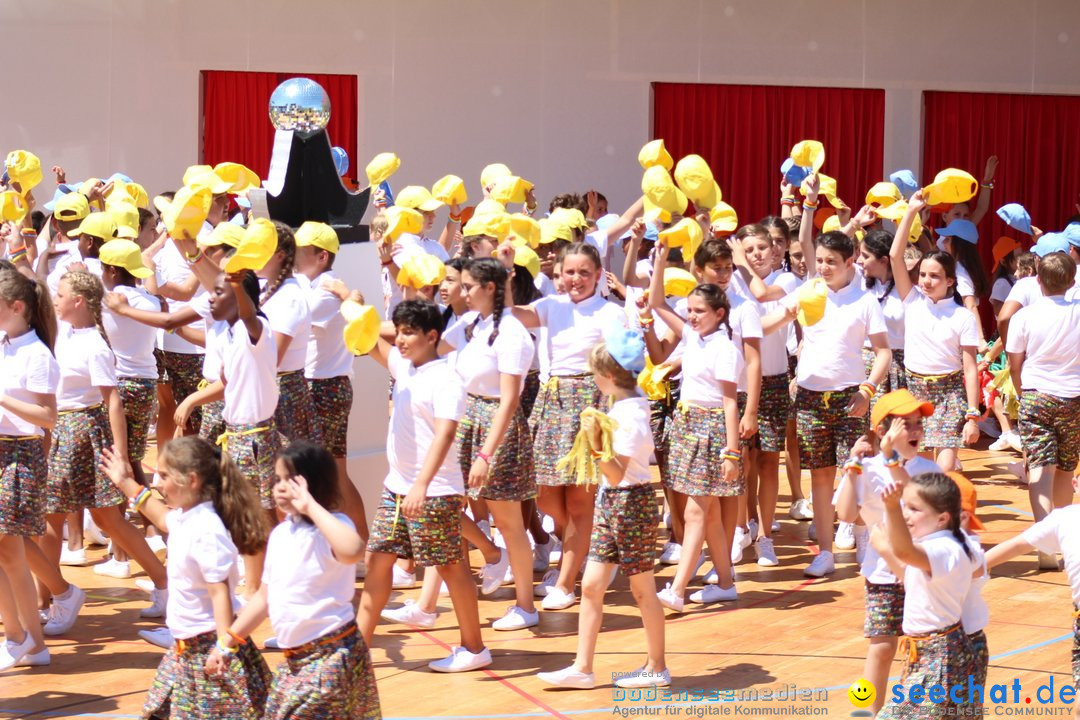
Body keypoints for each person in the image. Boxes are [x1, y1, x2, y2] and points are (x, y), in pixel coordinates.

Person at [763, 178, 891, 577]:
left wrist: (868, 390)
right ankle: (824, 549)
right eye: (819, 261)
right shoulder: (807, 293)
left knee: (858, 469)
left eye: (830, 262)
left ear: (851, 261)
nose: (822, 267)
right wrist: (754, 324)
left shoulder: (865, 301)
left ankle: (863, 534)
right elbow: (770, 322)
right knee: (819, 475)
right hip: (810, 396)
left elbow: (884, 352)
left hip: (850, 395)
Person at [356, 299, 492, 673]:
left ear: (432, 336)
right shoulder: (405, 367)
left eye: (409, 332)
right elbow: (369, 342)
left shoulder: (445, 379)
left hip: (433, 491)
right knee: (377, 561)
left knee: (450, 566)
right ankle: (359, 650)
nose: (399, 339)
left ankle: (474, 648)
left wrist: (421, 484)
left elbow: (446, 435)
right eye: (398, 331)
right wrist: (350, 307)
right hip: (395, 488)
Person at [207, 441, 380, 719]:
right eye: (277, 479)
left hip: (332, 658)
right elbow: (265, 596)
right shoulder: (281, 535)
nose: (280, 486)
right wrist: (227, 643)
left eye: (290, 479)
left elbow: (352, 550)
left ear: (312, 483)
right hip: (295, 662)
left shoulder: (334, 526)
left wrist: (310, 506)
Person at [102, 436, 271, 720]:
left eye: (164, 475)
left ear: (191, 480)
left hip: (208, 651)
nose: (157, 482)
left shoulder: (207, 531)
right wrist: (124, 481)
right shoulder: (186, 518)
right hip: (185, 651)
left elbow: (220, 594)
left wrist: (223, 646)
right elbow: (158, 515)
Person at [537, 333, 668, 690]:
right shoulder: (625, 407)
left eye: (596, 373)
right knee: (593, 586)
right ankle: (582, 668)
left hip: (632, 505)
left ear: (608, 377)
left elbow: (616, 471)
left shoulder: (631, 415)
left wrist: (594, 443)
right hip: (614, 503)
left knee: (643, 590)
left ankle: (657, 666)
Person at [44, 270, 169, 627]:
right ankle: (49, 598)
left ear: (78, 301)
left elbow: (112, 401)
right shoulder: (64, 332)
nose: (56, 297)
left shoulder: (95, 345)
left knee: (104, 517)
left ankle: (57, 600)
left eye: (61, 293)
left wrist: (122, 455)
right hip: (64, 431)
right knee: (64, 518)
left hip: (83, 433)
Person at [509, 242, 625, 609]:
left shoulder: (609, 312)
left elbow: (620, 366)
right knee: (543, 491)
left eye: (584, 272)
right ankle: (589, 544)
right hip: (551, 400)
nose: (576, 279)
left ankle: (566, 582)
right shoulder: (550, 306)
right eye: (569, 272)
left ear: (596, 275)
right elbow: (511, 314)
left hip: (590, 400)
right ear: (558, 274)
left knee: (579, 498)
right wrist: (506, 271)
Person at [442, 257, 538, 630]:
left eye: (468, 286)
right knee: (446, 503)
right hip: (468, 418)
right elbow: (434, 348)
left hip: (496, 426)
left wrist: (486, 453)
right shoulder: (470, 323)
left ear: (490, 289)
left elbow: (510, 399)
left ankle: (526, 605)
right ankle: (490, 553)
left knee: (509, 521)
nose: (462, 293)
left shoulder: (511, 333)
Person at [645, 245, 742, 609]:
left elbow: (731, 402)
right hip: (687, 425)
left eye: (700, 311)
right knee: (709, 513)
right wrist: (659, 260)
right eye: (690, 311)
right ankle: (726, 581)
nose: (692, 317)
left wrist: (732, 451)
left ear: (719, 313)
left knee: (696, 511)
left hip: (712, 429)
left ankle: (677, 588)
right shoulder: (692, 336)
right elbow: (657, 303)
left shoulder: (725, 349)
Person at [834, 390, 940, 715]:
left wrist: (890, 458)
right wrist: (852, 467)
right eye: (905, 424)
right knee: (881, 648)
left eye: (918, 424)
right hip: (881, 574)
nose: (915, 431)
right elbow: (845, 513)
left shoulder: (927, 468)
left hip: (921, 572)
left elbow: (915, 496)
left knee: (924, 648)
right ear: (882, 431)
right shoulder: (866, 468)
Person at [874, 472, 978, 719]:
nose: (906, 514)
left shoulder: (943, 549)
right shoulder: (942, 545)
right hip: (931, 651)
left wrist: (891, 511)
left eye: (914, 509)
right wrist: (886, 550)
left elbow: (905, 553)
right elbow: (911, 576)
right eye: (904, 507)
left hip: (938, 654)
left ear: (942, 518)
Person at [892, 195, 981, 473]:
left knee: (943, 466)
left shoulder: (962, 316)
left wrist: (972, 414)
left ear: (949, 281)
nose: (926, 281)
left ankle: (942, 506)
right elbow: (895, 256)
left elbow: (969, 368)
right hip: (913, 389)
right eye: (923, 275)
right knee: (911, 460)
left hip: (949, 392)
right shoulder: (913, 301)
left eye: (934, 276)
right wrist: (910, 212)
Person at [1005, 251, 1080, 567]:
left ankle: (1046, 544)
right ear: (1072, 281)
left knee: (1039, 468)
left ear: (1037, 280)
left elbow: (1014, 361)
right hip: (1073, 397)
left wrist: (1022, 392)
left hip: (1036, 395)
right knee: (1065, 468)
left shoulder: (1024, 316)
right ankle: (1059, 541)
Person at [294, 222, 367, 544]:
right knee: (334, 473)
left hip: (321, 388)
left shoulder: (326, 290)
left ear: (321, 256)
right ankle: (357, 544)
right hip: (322, 386)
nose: (293, 257)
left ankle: (347, 543)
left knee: (323, 474)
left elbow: (288, 320)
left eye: (300, 251)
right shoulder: (313, 286)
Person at [0, 268, 57, 670]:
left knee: (10, 553)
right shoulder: (5, 344)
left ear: (16, 307)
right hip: (3, 450)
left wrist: (2, 400)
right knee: (6, 554)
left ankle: (19, 637)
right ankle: (29, 643)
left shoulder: (37, 353)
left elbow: (47, 416)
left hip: (20, 455)